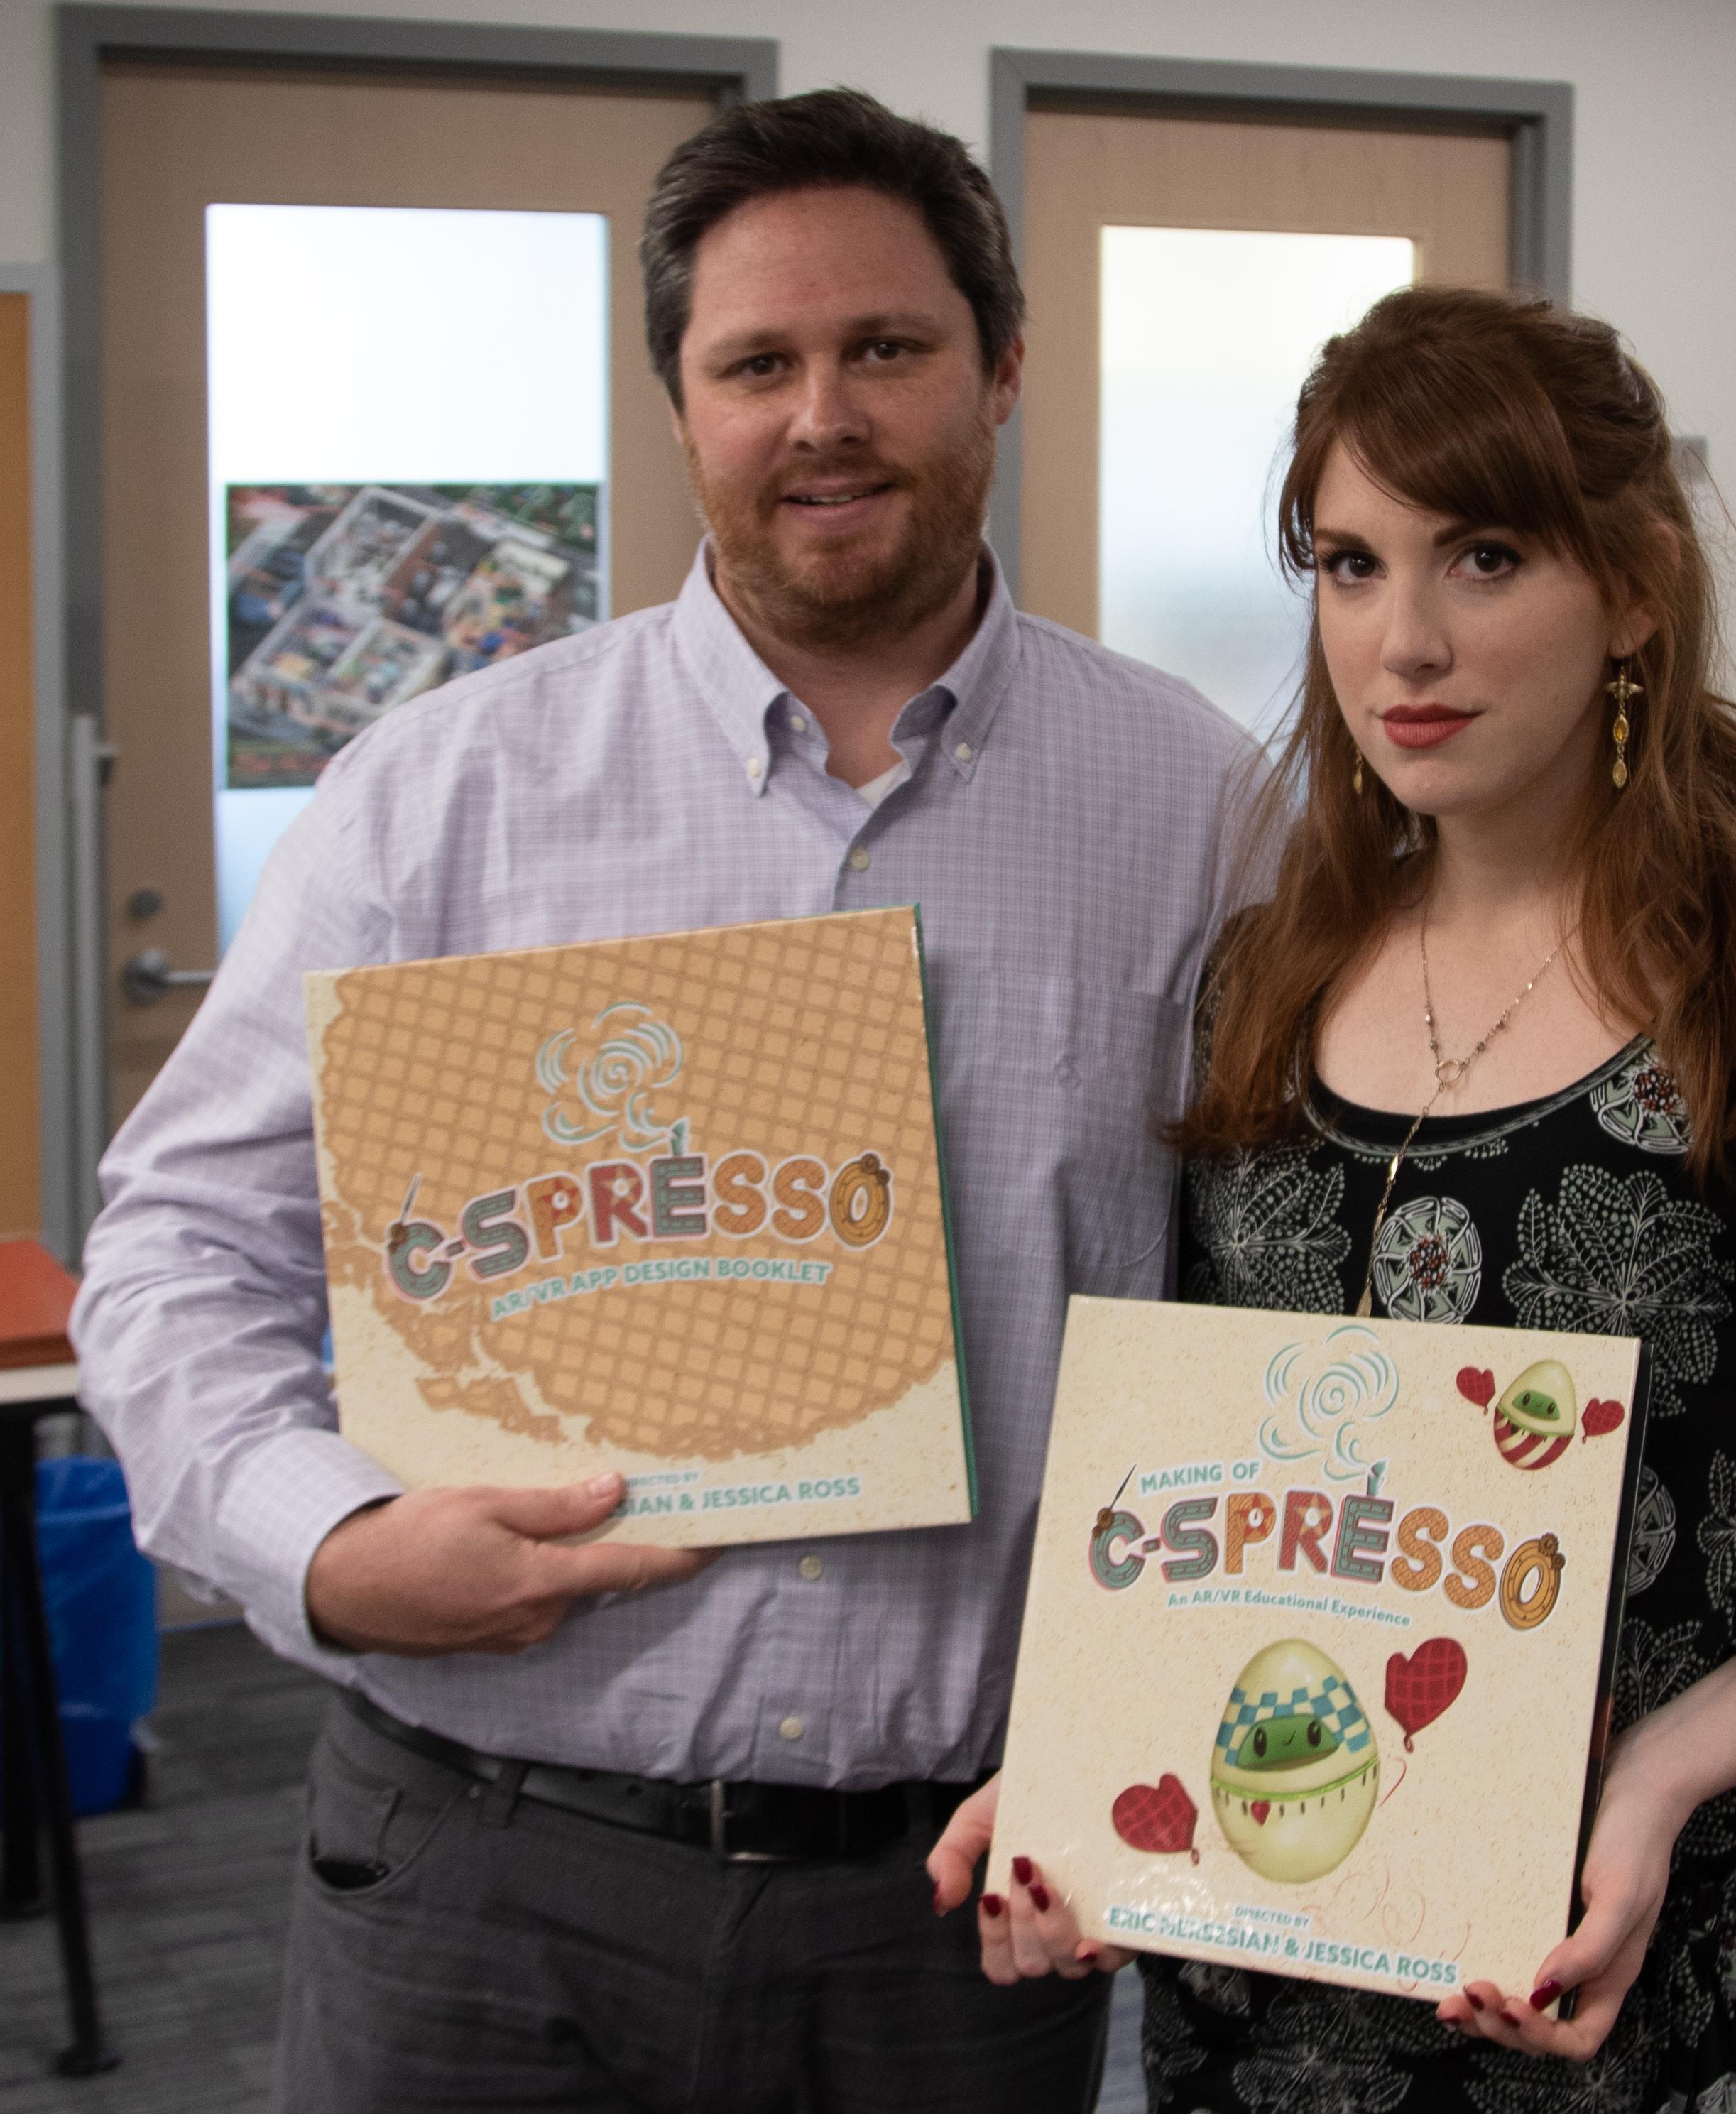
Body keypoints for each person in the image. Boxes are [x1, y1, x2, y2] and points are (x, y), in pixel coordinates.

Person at [72, 90, 1257, 2113]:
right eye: (756, 364)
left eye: (885, 348)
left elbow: (1292, 1290)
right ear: (680, 403)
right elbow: (180, 1249)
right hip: (477, 1875)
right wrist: (329, 1543)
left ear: (1002, 364)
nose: (823, 417)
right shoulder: (444, 790)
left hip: (955, 1907)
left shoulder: (1202, 806)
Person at [931, 285, 1736, 2112]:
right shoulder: (1261, 977)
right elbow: (1218, 1485)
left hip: (1646, 1965)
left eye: (1482, 557)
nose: (1402, 640)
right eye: (1350, 565)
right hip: (1269, 1990)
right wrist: (1086, 1769)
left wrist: (1657, 1773)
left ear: (1634, 585)